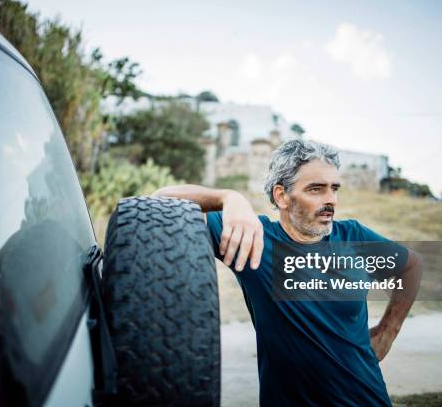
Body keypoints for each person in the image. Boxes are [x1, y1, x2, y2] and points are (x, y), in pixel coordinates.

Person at [154, 139, 423, 406]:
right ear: (281, 196)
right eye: (316, 190)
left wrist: (388, 330)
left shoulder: (354, 237)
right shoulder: (255, 238)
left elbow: (411, 266)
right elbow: (160, 200)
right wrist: (228, 197)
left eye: (334, 189)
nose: (330, 200)